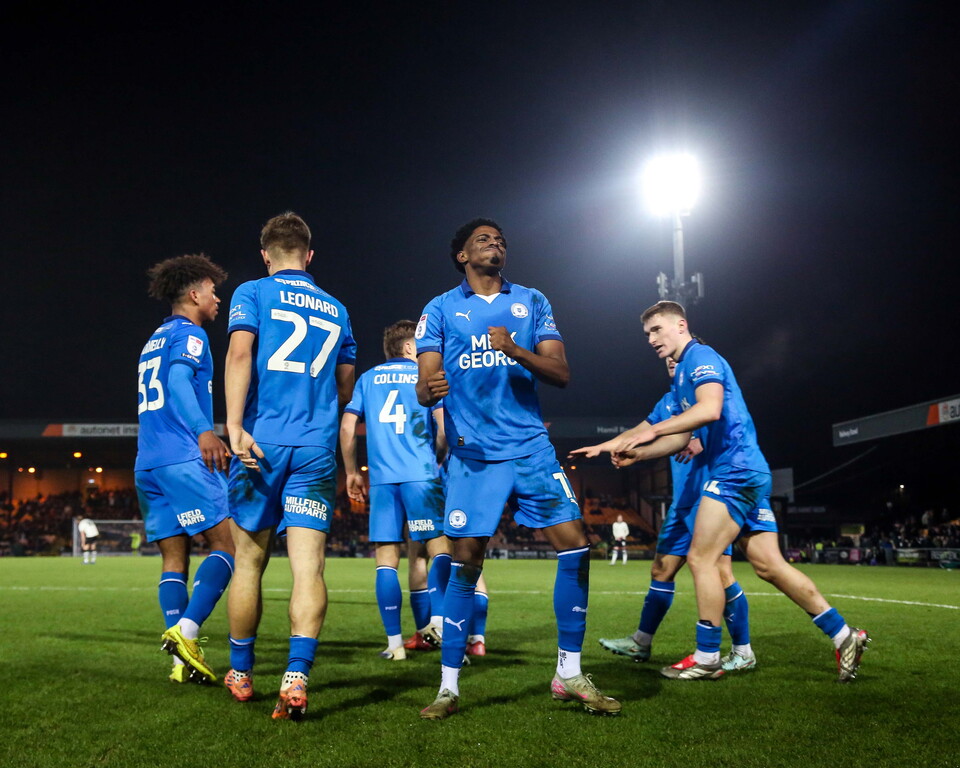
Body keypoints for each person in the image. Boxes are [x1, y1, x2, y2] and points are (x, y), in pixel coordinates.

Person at [592, 301, 869, 682]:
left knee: (702, 560)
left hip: (734, 472)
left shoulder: (700, 356)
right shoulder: (680, 382)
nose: (652, 340)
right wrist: (624, 449)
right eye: (648, 335)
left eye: (656, 331)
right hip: (747, 473)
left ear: (680, 326)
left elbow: (710, 410)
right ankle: (844, 635)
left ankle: (707, 657)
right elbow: (676, 436)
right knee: (769, 567)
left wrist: (650, 433)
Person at [415, 218, 620, 719]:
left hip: (530, 447)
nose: (496, 244)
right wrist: (429, 391)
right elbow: (424, 384)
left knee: (576, 546)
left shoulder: (533, 300)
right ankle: (448, 687)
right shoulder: (440, 308)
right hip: (474, 455)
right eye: (483, 239)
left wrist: (514, 350)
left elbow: (562, 373)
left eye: (500, 239)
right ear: (462, 255)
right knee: (466, 562)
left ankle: (568, 673)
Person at [224, 212, 356, 720]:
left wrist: (234, 425)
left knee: (250, 561)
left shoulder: (253, 292)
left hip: (262, 443)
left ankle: (241, 672)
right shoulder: (338, 308)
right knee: (309, 566)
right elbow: (345, 385)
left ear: (265, 254)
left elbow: (239, 355)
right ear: (309, 255)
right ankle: (296, 676)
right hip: (315, 449)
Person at [574, 357, 757, 672]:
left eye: (678, 358)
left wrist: (702, 441)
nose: (672, 361)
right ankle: (641, 642)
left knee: (722, 573)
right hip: (682, 500)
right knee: (661, 570)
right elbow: (642, 432)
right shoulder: (669, 402)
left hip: (710, 497)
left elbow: (728, 426)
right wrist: (605, 447)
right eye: (668, 360)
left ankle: (742, 650)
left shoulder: (708, 393)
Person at [135, 253, 236, 685]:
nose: (218, 299)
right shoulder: (191, 334)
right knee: (227, 545)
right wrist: (203, 431)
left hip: (148, 463)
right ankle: (188, 630)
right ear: (194, 294)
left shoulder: (152, 339)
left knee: (173, 559)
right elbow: (177, 383)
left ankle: (180, 662)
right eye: (213, 292)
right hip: (182, 457)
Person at [339, 320, 452, 661]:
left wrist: (349, 472)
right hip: (421, 475)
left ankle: (394, 645)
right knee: (440, 550)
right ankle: (438, 623)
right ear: (408, 348)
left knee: (386, 562)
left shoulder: (367, 379)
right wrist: (437, 458)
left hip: (384, 482)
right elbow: (443, 430)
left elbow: (347, 428)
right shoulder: (425, 379)